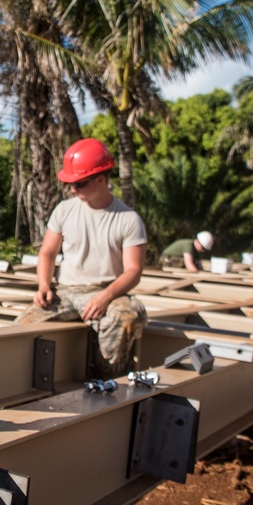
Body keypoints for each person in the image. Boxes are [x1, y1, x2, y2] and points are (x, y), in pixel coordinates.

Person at [15, 139, 148, 378]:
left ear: (101, 179)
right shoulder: (65, 210)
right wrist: (44, 286)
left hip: (106, 291)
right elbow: (47, 253)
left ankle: (107, 379)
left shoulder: (128, 219)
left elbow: (133, 270)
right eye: (70, 184)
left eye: (79, 184)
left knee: (127, 317)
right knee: (20, 327)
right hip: (66, 292)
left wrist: (106, 297)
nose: (73, 190)